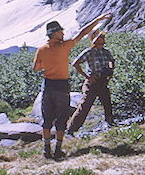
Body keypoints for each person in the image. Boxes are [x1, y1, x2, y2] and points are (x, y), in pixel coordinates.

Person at [33, 12, 112, 160]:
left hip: (48, 85)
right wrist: (98, 19)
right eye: (61, 31)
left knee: (47, 118)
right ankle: (58, 150)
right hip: (62, 86)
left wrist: (49, 63)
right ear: (55, 34)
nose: (63, 33)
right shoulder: (65, 46)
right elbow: (82, 33)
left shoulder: (41, 49)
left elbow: (36, 68)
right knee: (61, 118)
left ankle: (46, 150)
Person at [67, 29, 115, 135]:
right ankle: (71, 130)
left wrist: (111, 71)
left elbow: (112, 61)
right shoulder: (89, 52)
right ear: (95, 40)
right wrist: (87, 77)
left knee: (107, 104)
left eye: (103, 38)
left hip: (103, 82)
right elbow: (75, 63)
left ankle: (110, 124)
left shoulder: (106, 52)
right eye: (100, 38)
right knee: (85, 106)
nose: (102, 39)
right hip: (92, 83)